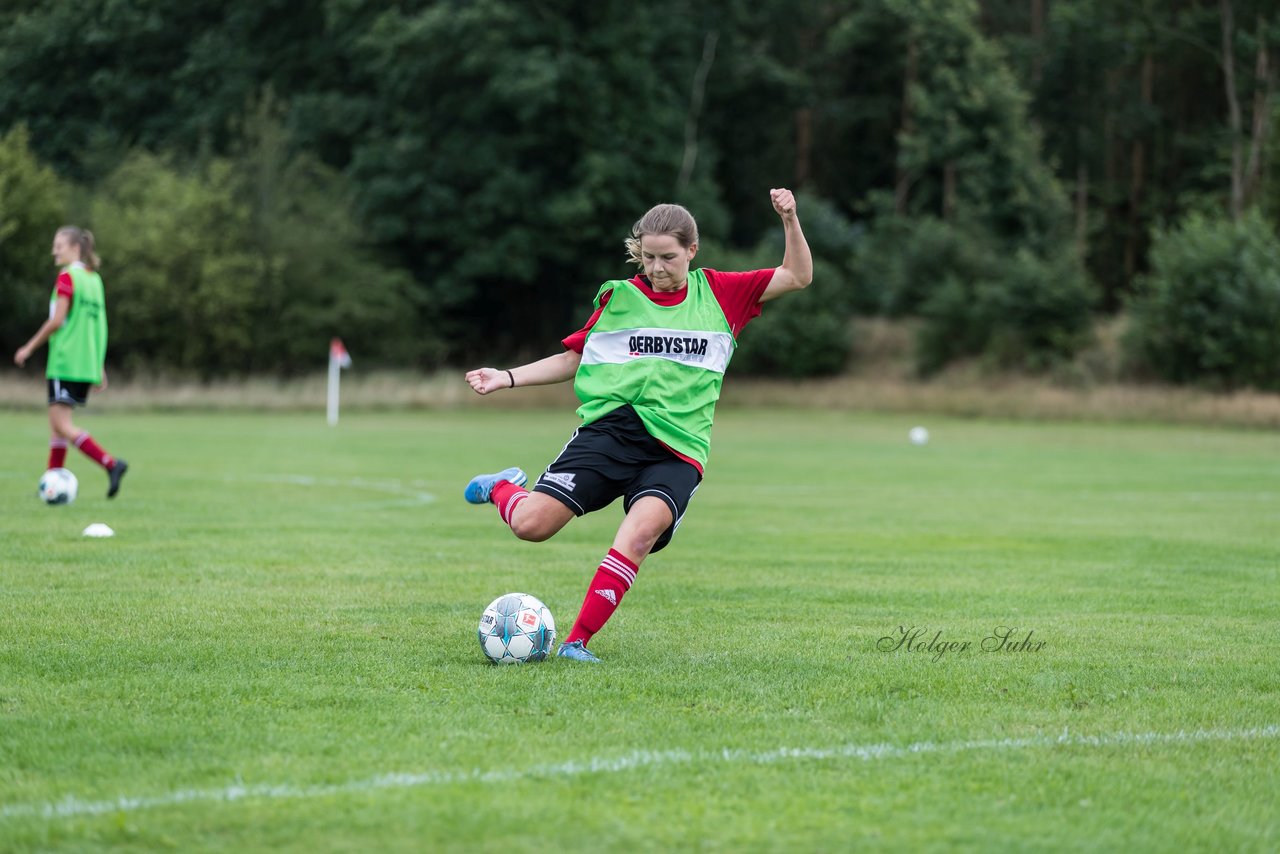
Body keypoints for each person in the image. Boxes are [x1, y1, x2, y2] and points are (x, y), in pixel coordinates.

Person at [464, 188, 812, 662]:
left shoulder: (723, 293)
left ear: (692, 251)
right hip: (611, 433)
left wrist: (789, 219)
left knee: (640, 532)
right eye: (647, 257)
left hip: (677, 449)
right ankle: (506, 488)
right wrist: (506, 377)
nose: (657, 268)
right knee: (531, 526)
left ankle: (576, 643)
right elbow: (573, 359)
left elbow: (797, 275)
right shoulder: (621, 298)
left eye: (668, 257)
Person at [14, 226, 129, 498]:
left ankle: (111, 464)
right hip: (85, 363)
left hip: (65, 361)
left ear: (75, 248)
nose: (54, 250)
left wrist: (28, 347)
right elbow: (98, 326)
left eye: (59, 245)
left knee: (63, 424)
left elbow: (57, 321)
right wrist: (98, 365)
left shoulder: (67, 278)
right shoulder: (94, 280)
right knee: (57, 424)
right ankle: (53, 481)